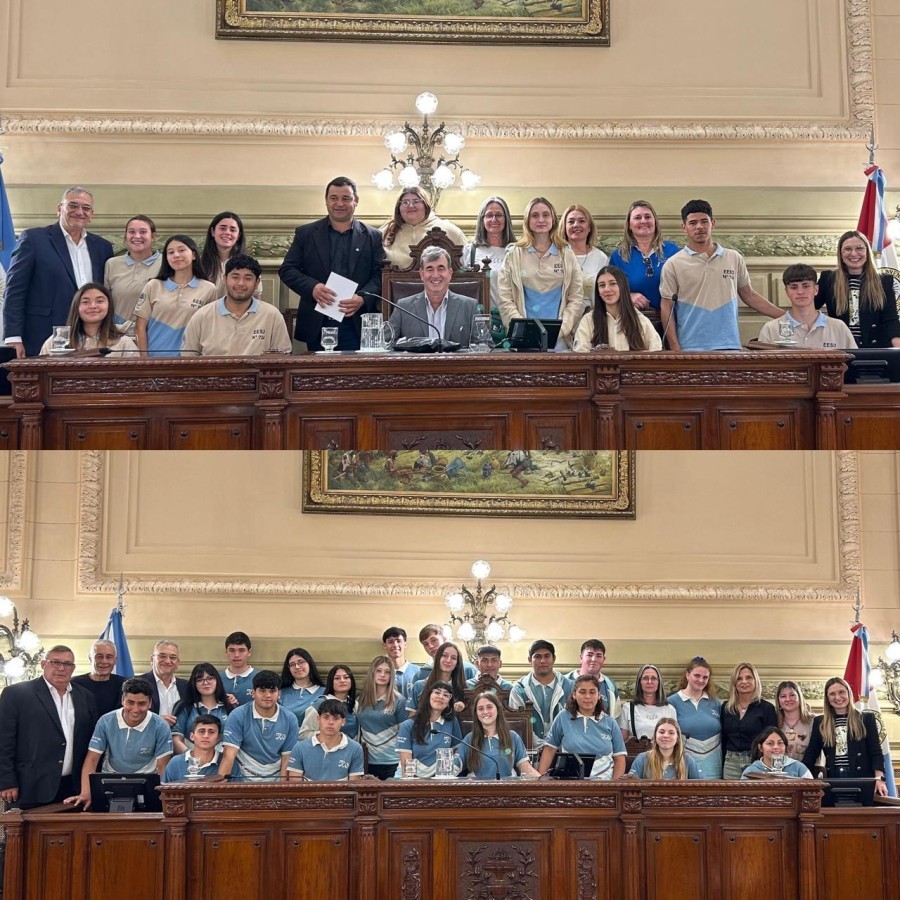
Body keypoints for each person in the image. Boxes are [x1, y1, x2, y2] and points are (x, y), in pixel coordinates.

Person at [3, 186, 114, 358]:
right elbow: (15, 291)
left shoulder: (102, 247)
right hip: (42, 336)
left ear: (91, 214)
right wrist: (13, 337)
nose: (79, 211)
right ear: (59, 209)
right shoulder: (34, 239)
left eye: (86, 208)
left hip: (91, 339)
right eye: (73, 205)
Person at [279, 176, 385, 351]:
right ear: (326, 201)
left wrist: (362, 298)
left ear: (356, 201)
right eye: (334, 198)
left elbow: (380, 274)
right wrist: (313, 287)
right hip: (317, 322)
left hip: (356, 323)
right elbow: (287, 270)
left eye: (346, 198)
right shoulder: (306, 234)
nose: (339, 203)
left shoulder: (373, 236)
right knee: (318, 377)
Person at [660, 199, 781, 350]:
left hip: (729, 346)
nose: (699, 227)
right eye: (693, 223)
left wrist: (786, 316)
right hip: (690, 347)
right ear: (684, 227)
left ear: (713, 223)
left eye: (704, 221)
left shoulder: (734, 257)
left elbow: (749, 295)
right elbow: (667, 306)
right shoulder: (673, 264)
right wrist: (675, 348)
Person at [0, 645, 99, 808]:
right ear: (43, 664)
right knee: (23, 833)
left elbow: (92, 742)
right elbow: (4, 741)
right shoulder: (16, 694)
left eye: (67, 664)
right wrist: (6, 781)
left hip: (73, 788)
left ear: (73, 668)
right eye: (55, 662)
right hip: (30, 787)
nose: (61, 668)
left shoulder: (86, 697)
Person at [66, 677, 173, 809]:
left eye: (141, 704)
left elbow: (163, 767)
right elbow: (92, 759)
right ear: (123, 700)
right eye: (130, 702)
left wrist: (160, 796)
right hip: (110, 780)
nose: (135, 709)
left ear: (150, 703)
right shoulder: (105, 721)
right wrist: (86, 792)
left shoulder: (161, 726)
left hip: (147, 782)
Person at [497, 197, 584, 349]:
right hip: (524, 340)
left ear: (553, 219)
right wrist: (523, 331)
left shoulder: (567, 254)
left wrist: (560, 330)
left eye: (546, 215)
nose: (541, 219)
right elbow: (505, 299)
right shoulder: (513, 254)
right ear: (527, 220)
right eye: (535, 215)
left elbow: (576, 298)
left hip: (560, 340)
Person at [181, 254, 291, 356]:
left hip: (257, 376)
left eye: (248, 278)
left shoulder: (272, 315)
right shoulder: (202, 316)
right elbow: (188, 359)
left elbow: (282, 357)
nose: (240, 283)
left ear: (257, 282)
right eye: (235, 277)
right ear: (225, 279)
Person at [801, 676, 889, 798]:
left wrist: (879, 779)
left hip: (863, 778)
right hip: (833, 779)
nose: (837, 697)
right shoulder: (820, 722)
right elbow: (811, 754)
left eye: (841, 692)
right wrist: (800, 780)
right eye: (832, 694)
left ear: (849, 693)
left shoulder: (866, 719)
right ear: (827, 698)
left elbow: (876, 752)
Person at [133, 234, 217, 356]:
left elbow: (209, 330)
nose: (176, 255)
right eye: (170, 252)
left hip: (190, 363)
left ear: (193, 255)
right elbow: (140, 327)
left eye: (181, 250)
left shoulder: (209, 289)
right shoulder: (153, 285)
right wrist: (144, 360)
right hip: (154, 362)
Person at [814, 230, 900, 348]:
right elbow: (809, 309)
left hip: (876, 349)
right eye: (848, 249)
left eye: (859, 248)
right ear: (840, 254)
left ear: (867, 252)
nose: (854, 254)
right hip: (840, 347)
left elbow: (890, 319)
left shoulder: (884, 281)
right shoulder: (828, 279)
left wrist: (897, 350)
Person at [538, 674, 627, 780]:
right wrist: (540, 781)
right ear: (574, 695)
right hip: (571, 785)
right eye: (582, 692)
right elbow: (549, 749)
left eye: (592, 692)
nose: (588, 696)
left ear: (599, 695)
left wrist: (615, 786)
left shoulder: (610, 722)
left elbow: (619, 758)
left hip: (604, 785)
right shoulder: (563, 717)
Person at [387, 246, 478, 347]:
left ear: (450, 273)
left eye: (441, 268)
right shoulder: (403, 307)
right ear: (422, 274)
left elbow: (485, 345)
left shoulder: (470, 306)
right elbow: (384, 344)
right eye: (430, 269)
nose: (435, 275)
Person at [217, 670, 298, 781]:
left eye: (272, 691)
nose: (268, 695)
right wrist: (221, 790)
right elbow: (229, 755)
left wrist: (281, 792)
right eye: (262, 690)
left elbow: (287, 758)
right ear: (253, 693)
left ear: (279, 694)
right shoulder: (237, 715)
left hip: (276, 777)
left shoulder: (290, 719)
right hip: (242, 776)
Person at [758, 264, 856, 348]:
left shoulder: (838, 327)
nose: (800, 292)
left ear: (816, 289)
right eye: (794, 287)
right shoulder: (771, 329)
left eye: (806, 286)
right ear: (787, 291)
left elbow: (853, 365)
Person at [609, 200, 680, 312]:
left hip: (671, 319)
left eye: (647, 217)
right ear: (629, 226)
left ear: (655, 222)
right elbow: (610, 291)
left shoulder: (673, 251)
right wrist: (628, 296)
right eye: (637, 218)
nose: (643, 221)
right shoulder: (618, 257)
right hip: (634, 321)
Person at [573, 266, 662, 352]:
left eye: (613, 283)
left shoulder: (638, 319)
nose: (607, 289)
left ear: (622, 287)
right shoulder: (588, 320)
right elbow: (581, 354)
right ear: (598, 292)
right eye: (602, 285)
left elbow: (656, 350)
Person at [455, 692, 539, 779]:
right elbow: (454, 766)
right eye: (480, 709)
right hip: (478, 789)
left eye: (489, 707)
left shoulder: (513, 737)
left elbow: (525, 767)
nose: (485, 712)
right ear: (476, 714)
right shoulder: (470, 738)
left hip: (507, 788)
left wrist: (542, 782)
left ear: (498, 710)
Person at [38, 283, 138, 355]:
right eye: (85, 302)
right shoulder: (57, 341)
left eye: (99, 301)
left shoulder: (123, 342)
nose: (93, 306)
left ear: (109, 306)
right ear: (76, 307)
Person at [508, 639, 573, 750]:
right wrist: (544, 747)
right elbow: (517, 724)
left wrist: (558, 746)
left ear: (554, 659)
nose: (542, 661)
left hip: (565, 749)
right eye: (537, 657)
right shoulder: (519, 689)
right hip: (530, 751)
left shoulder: (570, 687)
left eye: (547, 656)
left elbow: (575, 720)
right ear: (530, 660)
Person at [381, 186, 467, 269]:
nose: (410, 206)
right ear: (398, 207)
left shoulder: (451, 231)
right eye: (405, 202)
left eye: (416, 201)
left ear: (425, 205)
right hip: (394, 283)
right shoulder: (385, 233)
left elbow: (466, 265)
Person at [462, 196, 514, 332]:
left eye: (499, 215)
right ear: (482, 219)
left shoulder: (516, 250)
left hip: (510, 318)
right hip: (477, 319)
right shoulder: (470, 251)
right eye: (489, 215)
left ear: (506, 219)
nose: (494, 220)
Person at [667, 656, 723, 779]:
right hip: (684, 762)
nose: (701, 680)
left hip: (713, 764)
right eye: (697, 676)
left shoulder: (716, 703)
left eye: (705, 677)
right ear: (687, 675)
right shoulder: (672, 702)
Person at [720, 662, 777, 779]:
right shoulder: (726, 707)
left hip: (757, 761)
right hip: (730, 762)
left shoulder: (766, 708)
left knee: (756, 797)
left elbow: (772, 740)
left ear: (756, 680)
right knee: (731, 797)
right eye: (739, 679)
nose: (744, 682)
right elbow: (723, 739)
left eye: (749, 677)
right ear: (734, 683)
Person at [103, 215, 162, 328]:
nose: (137, 236)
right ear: (125, 237)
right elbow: (104, 300)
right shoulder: (112, 264)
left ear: (153, 237)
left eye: (143, 232)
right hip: (118, 332)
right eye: (131, 232)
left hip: (154, 332)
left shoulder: (165, 263)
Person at [287, 699, 365, 781]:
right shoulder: (300, 748)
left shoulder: (355, 749)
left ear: (343, 721)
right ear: (318, 719)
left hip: (342, 793)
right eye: (326, 717)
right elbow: (296, 787)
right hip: (308, 793)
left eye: (336, 718)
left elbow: (354, 786)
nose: (330, 722)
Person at [356, 656, 408, 780]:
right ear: (372, 673)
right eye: (379, 671)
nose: (383, 675)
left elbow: (405, 734)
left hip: (392, 761)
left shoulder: (400, 701)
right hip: (367, 762)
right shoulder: (361, 699)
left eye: (387, 672)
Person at [396, 681, 463, 778]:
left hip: (439, 778)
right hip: (411, 777)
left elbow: (456, 752)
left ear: (449, 702)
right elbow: (406, 767)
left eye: (446, 695)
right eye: (437, 692)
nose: (440, 697)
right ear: (428, 696)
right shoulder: (407, 725)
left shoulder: (452, 722)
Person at [171, 663, 235, 755]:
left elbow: (233, 740)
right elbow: (176, 739)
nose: (205, 683)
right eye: (199, 680)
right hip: (189, 760)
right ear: (194, 683)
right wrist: (191, 757)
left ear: (217, 680)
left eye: (210, 678)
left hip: (221, 759)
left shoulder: (229, 707)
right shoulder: (185, 707)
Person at [199, 211, 261, 299]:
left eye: (232, 230)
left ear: (238, 235)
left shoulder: (249, 263)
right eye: (222, 228)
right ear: (213, 232)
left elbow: (256, 298)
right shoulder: (199, 263)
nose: (227, 232)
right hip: (206, 311)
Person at [557, 204, 609, 308]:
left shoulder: (600, 258)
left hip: (591, 319)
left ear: (589, 227)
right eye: (571, 221)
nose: (576, 225)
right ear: (564, 227)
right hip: (559, 319)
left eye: (581, 221)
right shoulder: (554, 254)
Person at [617, 664, 678, 740]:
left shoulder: (669, 709)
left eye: (653, 678)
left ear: (659, 682)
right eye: (645, 678)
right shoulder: (628, 708)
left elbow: (674, 739)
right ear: (640, 682)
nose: (649, 682)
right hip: (637, 751)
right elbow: (622, 741)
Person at [628, 718, 701, 780]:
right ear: (655, 736)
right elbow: (631, 785)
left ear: (678, 738)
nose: (665, 736)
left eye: (671, 733)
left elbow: (700, 788)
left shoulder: (688, 760)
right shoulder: (642, 758)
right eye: (661, 732)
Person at [137, 639, 189, 726]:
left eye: (173, 657)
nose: (168, 661)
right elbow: (128, 713)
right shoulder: (137, 683)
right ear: (152, 659)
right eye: (162, 656)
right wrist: (156, 720)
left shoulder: (186, 686)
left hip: (178, 737)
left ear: (178, 663)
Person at [300, 664, 359, 741]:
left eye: (346, 677)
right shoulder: (320, 704)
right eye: (337, 678)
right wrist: (333, 737)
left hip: (351, 751)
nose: (342, 680)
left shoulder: (354, 704)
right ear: (331, 682)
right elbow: (303, 734)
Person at [407, 641, 468, 715]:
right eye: (444, 655)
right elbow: (412, 717)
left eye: (453, 658)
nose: (448, 660)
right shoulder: (419, 686)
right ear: (438, 658)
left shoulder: (462, 689)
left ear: (457, 663)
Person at [71, 638, 126, 717]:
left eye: (109, 657)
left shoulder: (124, 684)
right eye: (99, 656)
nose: (104, 661)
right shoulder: (74, 684)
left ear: (115, 660)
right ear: (90, 658)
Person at [566, 639, 619, 718]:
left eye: (598, 656)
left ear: (604, 659)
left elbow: (615, 717)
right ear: (581, 658)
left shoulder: (610, 686)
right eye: (589, 655)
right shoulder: (564, 682)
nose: (594, 659)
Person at [163, 714, 223, 782]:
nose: (206, 736)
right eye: (201, 731)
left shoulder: (227, 762)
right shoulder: (175, 763)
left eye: (211, 732)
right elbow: (164, 791)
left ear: (219, 738)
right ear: (192, 736)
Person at [741, 726, 812, 779]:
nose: (776, 747)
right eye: (770, 743)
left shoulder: (798, 768)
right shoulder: (751, 771)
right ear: (760, 747)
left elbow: (811, 792)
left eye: (780, 743)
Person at [278, 647, 326, 726]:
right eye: (292, 664)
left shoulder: (325, 692)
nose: (297, 667)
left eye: (301, 662)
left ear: (309, 663)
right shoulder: (281, 693)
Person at [775, 680, 815, 762]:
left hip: (808, 772)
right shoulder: (773, 721)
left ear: (799, 697)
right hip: (779, 772)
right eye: (783, 696)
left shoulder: (814, 721)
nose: (788, 699)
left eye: (792, 695)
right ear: (778, 701)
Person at [219, 630, 256, 707]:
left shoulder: (259, 677)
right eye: (232, 650)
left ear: (249, 652)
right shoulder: (216, 678)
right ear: (226, 652)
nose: (236, 655)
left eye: (241, 650)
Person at [382, 626, 420, 698]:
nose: (395, 645)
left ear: (405, 644)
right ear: (384, 645)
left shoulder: (418, 672)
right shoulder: (379, 672)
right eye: (390, 642)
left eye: (399, 641)